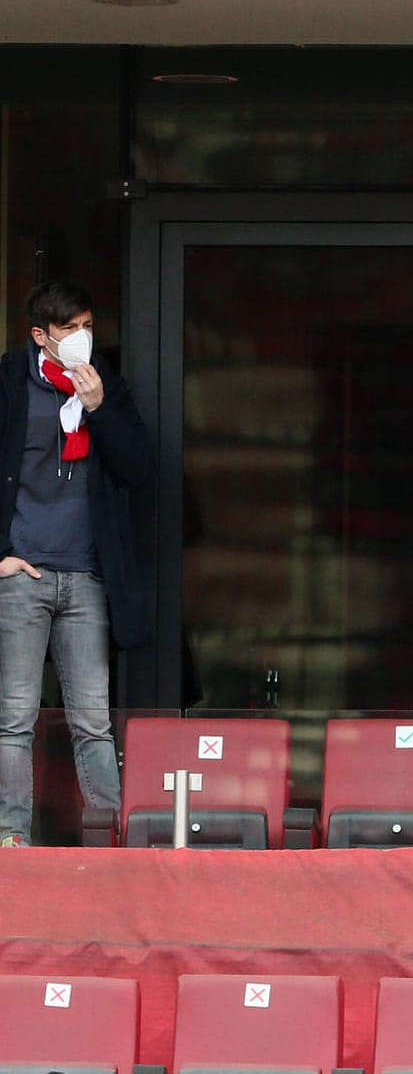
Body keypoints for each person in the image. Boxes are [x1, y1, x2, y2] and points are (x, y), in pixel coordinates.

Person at [0, 281, 154, 846]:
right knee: (14, 718)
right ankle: (10, 836)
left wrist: (97, 408)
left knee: (93, 719)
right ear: (41, 336)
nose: (82, 340)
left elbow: (139, 469)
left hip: (87, 575)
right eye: (69, 330)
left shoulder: (104, 386)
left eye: (88, 326)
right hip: (24, 575)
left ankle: (107, 834)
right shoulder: (10, 384)